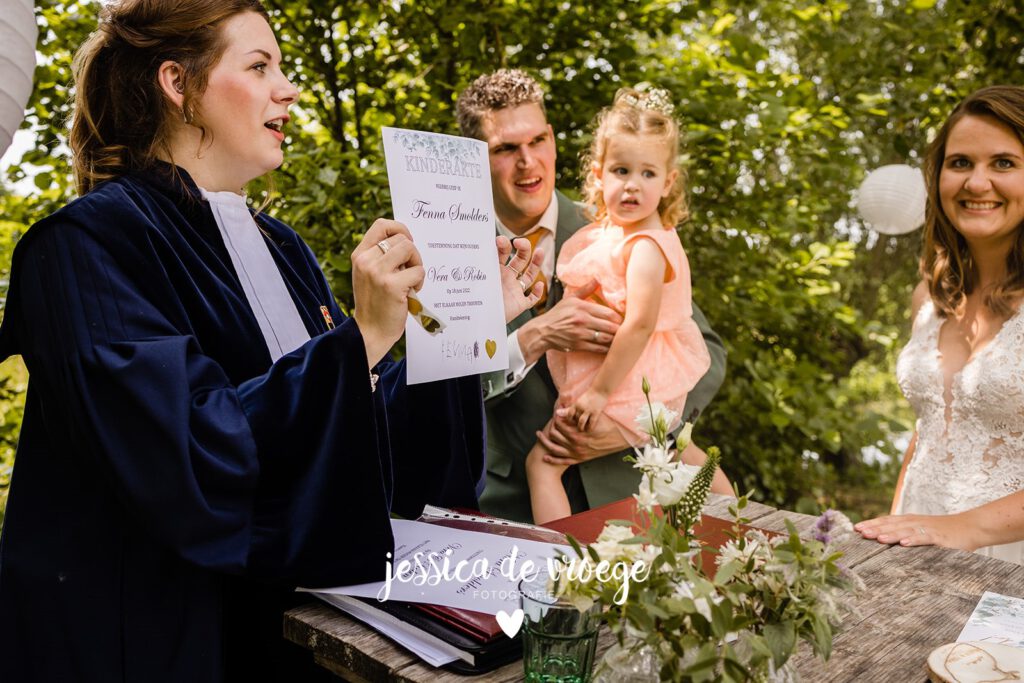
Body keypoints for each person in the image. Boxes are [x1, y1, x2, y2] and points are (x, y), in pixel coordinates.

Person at [0, 2, 543, 681]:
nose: (288, 88)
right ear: (179, 83)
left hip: (301, 641)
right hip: (160, 646)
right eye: (260, 66)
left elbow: (369, 451)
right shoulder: (81, 247)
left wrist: (462, 330)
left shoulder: (284, 249)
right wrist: (361, 337)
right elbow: (191, 458)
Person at [456, 70, 728, 523]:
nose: (528, 162)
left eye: (538, 141)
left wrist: (639, 427)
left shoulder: (623, 225)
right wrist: (531, 338)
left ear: (554, 140)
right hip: (514, 507)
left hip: (631, 491)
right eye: (506, 149)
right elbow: (445, 386)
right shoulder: (452, 252)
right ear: (475, 159)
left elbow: (701, 350)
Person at [855, 85, 1024, 564]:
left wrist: (962, 529)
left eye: (1004, 163)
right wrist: (897, 527)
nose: (976, 182)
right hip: (919, 542)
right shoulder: (929, 297)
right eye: (960, 163)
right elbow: (928, 431)